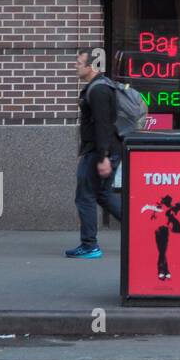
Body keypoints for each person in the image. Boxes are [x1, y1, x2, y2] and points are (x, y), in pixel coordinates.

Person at [68, 49, 123, 259]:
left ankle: (89, 245)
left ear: (91, 67)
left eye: (79, 62)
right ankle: (138, 230)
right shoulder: (100, 86)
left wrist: (103, 157)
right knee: (103, 195)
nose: (75, 65)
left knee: (85, 197)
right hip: (102, 151)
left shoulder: (98, 91)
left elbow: (103, 126)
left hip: (99, 152)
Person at [141, 192, 180, 280]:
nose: (166, 202)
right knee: (162, 252)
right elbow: (150, 209)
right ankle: (164, 271)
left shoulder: (170, 209)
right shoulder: (159, 208)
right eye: (166, 201)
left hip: (164, 231)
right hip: (158, 232)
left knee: (162, 251)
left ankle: (163, 271)